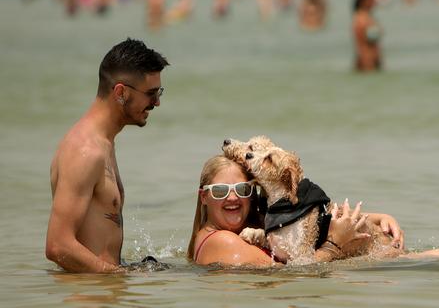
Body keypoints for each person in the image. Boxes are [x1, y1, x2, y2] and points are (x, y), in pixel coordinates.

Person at [46, 39, 170, 273]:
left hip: (103, 291)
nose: (157, 103)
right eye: (151, 94)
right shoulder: (85, 151)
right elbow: (57, 245)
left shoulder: (104, 144)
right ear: (121, 92)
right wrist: (118, 275)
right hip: (91, 296)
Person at [188, 155, 404, 266]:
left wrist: (379, 218)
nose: (233, 197)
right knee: (414, 262)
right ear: (204, 197)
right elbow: (293, 276)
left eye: (242, 189)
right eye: (219, 191)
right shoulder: (222, 241)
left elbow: (315, 218)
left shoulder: (250, 227)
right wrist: (334, 245)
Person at [352, 0, 382, 72]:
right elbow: (363, 43)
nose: (374, 1)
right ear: (364, 0)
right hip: (366, 62)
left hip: (374, 61)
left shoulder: (368, 17)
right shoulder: (360, 19)